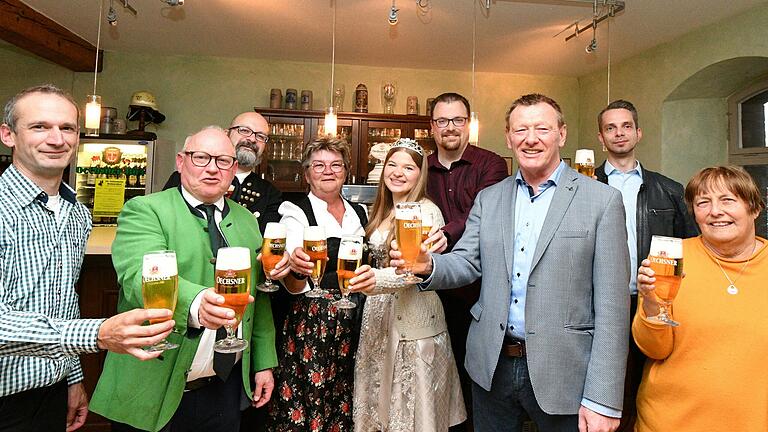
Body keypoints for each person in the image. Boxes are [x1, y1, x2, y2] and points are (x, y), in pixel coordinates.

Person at [392, 93, 631, 432]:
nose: (530, 139)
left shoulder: (602, 202)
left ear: (561, 134)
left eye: (542, 129)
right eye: (520, 130)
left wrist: (603, 399)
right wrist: (429, 266)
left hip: (564, 369)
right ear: (508, 137)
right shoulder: (490, 198)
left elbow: (613, 309)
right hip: (492, 366)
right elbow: (466, 262)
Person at [0, 84, 175, 432]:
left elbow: (64, 301)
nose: (56, 138)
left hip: (50, 392)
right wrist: (97, 333)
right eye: (39, 127)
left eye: (67, 128)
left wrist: (73, 378)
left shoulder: (77, 213)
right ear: (8, 135)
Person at [89, 126, 277, 432]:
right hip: (153, 385)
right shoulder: (146, 210)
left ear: (234, 169)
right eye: (201, 158)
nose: (213, 168)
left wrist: (263, 362)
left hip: (225, 389)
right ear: (181, 161)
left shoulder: (245, 220)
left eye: (223, 161)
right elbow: (138, 276)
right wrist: (198, 303)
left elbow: (259, 297)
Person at [634, 166, 767, 432]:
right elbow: (655, 349)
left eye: (728, 200)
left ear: (754, 208)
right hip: (668, 423)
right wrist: (650, 303)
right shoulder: (671, 256)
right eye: (703, 202)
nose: (715, 211)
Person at [594, 99, 699, 431]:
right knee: (603, 385)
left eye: (626, 126)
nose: (619, 133)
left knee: (651, 382)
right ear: (601, 137)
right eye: (610, 128)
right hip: (597, 302)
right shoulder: (581, 186)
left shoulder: (668, 190)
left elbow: (691, 249)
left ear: (638, 132)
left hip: (651, 303)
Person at [351, 138, 465, 431]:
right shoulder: (381, 210)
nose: (398, 172)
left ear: (420, 174)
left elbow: (414, 272)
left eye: (408, 167)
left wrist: (375, 280)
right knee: (380, 405)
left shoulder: (425, 212)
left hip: (415, 322)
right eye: (392, 165)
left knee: (411, 411)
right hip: (378, 318)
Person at [268, 136, 376, 432]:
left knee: (345, 400)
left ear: (345, 172)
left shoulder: (361, 213)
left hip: (356, 321)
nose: (328, 171)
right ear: (306, 174)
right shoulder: (295, 211)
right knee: (310, 401)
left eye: (336, 165)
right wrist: (295, 264)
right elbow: (291, 278)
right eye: (319, 165)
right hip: (313, 326)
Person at [426, 92, 508, 428]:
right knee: (433, 378)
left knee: (473, 378)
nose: (450, 128)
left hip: (477, 291)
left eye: (457, 120)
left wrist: (445, 233)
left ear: (469, 124)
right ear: (432, 127)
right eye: (442, 121)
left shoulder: (491, 164)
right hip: (429, 291)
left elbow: (482, 212)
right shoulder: (420, 167)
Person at [164, 111, 282, 233]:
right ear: (227, 134)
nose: (252, 139)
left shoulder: (270, 193)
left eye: (261, 137)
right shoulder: (184, 177)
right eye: (244, 130)